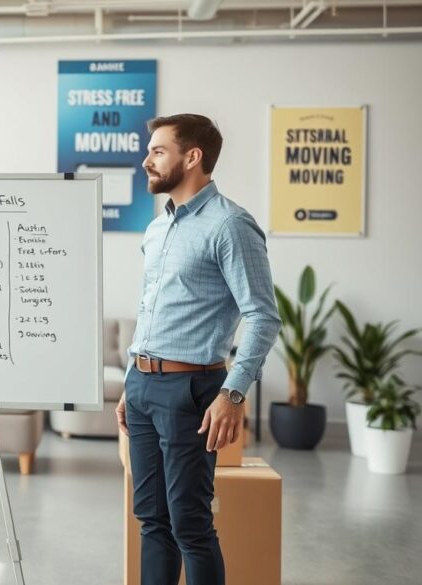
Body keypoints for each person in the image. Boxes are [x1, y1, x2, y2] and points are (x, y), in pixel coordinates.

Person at [115, 114, 280, 585]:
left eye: (158, 151)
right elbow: (152, 309)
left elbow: (263, 315)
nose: (146, 160)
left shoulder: (230, 225)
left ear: (193, 157)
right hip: (143, 386)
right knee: (152, 520)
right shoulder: (158, 228)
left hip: (192, 391)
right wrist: (133, 378)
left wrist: (232, 394)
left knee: (190, 523)